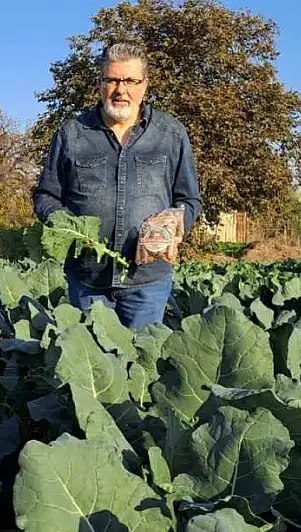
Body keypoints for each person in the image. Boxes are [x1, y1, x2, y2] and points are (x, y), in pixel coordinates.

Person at [32, 42, 202, 329]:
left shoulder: (170, 134)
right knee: (93, 367)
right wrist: (70, 228)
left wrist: (176, 218)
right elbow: (46, 195)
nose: (120, 90)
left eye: (130, 81)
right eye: (112, 79)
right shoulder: (72, 133)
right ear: (100, 84)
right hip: (88, 280)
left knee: (141, 364)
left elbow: (190, 199)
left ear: (144, 85)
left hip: (147, 281)